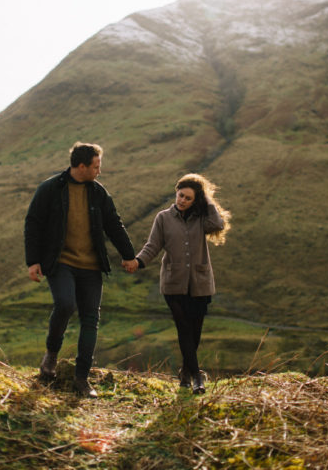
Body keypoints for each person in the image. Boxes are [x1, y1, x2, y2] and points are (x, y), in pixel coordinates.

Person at [24, 141, 136, 397]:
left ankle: (82, 378)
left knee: (90, 319)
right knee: (65, 304)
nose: (100, 171)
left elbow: (114, 224)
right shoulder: (51, 188)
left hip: (91, 266)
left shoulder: (98, 192)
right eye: (96, 166)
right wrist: (33, 261)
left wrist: (129, 255)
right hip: (60, 262)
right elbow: (33, 223)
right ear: (82, 166)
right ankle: (51, 355)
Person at [123, 173, 231, 394]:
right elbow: (153, 246)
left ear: (196, 201)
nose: (182, 200)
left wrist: (207, 199)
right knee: (183, 328)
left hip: (200, 283)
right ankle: (197, 377)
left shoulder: (203, 217)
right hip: (173, 284)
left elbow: (217, 224)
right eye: (180, 195)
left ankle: (185, 372)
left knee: (195, 331)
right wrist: (138, 261)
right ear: (176, 192)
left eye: (188, 198)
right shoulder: (163, 218)